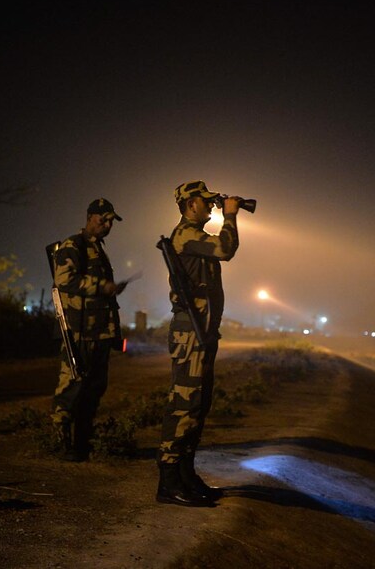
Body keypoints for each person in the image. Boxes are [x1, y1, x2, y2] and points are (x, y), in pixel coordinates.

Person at [156, 180, 241, 506]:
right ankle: (168, 480)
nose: (211, 206)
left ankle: (186, 475)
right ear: (191, 203)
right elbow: (226, 250)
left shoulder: (195, 235)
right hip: (189, 330)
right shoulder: (186, 235)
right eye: (205, 201)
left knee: (198, 405)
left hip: (202, 330)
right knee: (183, 405)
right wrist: (230, 216)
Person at [49, 198, 126, 461]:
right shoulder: (74, 245)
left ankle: (83, 443)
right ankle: (62, 445)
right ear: (89, 217)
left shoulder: (98, 249)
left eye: (110, 222)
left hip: (100, 333)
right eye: (102, 219)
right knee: (70, 389)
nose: (106, 225)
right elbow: (64, 280)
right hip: (79, 333)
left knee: (93, 391)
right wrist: (100, 286)